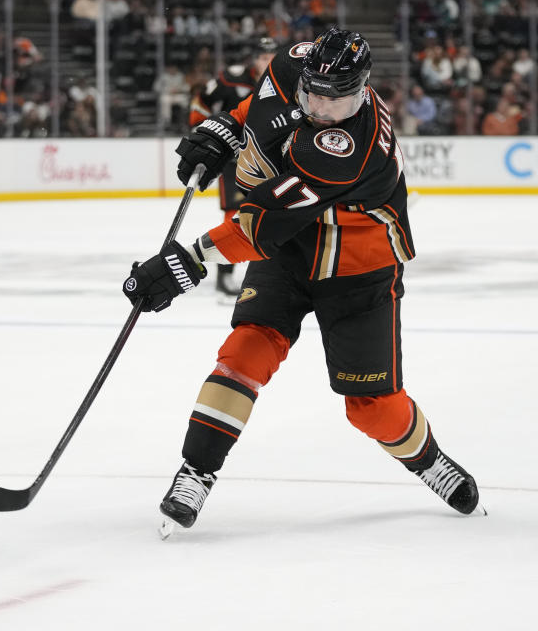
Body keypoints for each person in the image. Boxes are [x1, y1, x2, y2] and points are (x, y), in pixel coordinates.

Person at [122, 29, 480, 534]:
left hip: (359, 265)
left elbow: (260, 224)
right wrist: (226, 127)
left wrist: (187, 262)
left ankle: (428, 460)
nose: (321, 109)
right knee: (245, 351)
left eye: (338, 102)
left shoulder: (344, 147)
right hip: (292, 251)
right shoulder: (294, 63)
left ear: (362, 89)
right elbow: (262, 107)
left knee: (371, 410)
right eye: (314, 95)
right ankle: (196, 471)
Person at [188, 37, 278, 297]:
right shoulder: (232, 79)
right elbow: (201, 101)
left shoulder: (285, 79)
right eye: (263, 57)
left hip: (270, 160)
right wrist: (202, 132)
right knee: (235, 215)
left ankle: (269, 275)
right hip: (234, 161)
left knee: (271, 215)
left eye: (272, 57)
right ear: (253, 59)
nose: (268, 62)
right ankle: (224, 275)